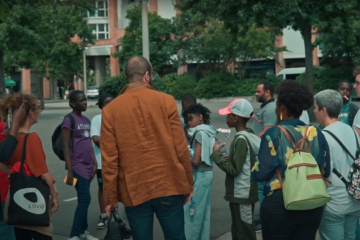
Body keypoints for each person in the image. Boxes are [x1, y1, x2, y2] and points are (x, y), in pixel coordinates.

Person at [101, 56, 193, 240]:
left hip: (134, 189)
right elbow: (181, 147)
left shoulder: (110, 110)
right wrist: (188, 183)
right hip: (169, 184)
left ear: (126, 77)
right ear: (147, 75)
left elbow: (109, 160)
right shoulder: (166, 101)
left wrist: (110, 197)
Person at [253, 80, 331, 240]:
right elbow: (325, 170)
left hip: (279, 205)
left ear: (281, 107)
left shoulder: (274, 134)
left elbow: (259, 174)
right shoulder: (317, 132)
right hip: (311, 202)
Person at [0, 93, 59, 240]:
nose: (38, 112)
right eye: (37, 108)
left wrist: (14, 172)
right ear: (30, 112)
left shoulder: (9, 138)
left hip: (16, 199)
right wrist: (54, 194)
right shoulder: (31, 138)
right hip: (35, 198)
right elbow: (43, 172)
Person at [313, 89, 360, 240]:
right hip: (355, 201)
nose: (314, 111)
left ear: (324, 110)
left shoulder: (323, 136)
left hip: (334, 203)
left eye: (315, 107)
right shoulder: (353, 132)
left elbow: (322, 173)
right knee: (350, 236)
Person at [211, 99, 260, 240]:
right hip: (241, 194)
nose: (227, 118)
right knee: (239, 228)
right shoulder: (247, 135)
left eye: (229, 115)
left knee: (244, 232)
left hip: (242, 194)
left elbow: (234, 170)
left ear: (236, 118)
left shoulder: (241, 140)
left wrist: (217, 155)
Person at [62, 90, 98, 240]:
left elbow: (88, 142)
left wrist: (94, 162)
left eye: (85, 100)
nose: (85, 103)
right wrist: (70, 170)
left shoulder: (86, 120)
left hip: (88, 164)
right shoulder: (68, 119)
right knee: (85, 199)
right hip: (77, 165)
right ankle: (74, 234)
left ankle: (83, 232)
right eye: (81, 100)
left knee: (84, 199)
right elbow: (65, 145)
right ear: (72, 103)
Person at [182, 103, 217, 240]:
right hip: (207, 175)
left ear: (200, 117)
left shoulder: (199, 133)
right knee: (203, 213)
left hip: (201, 176)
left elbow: (196, 160)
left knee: (192, 214)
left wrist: (186, 154)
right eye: (187, 121)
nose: (189, 123)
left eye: (191, 119)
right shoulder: (209, 130)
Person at [252, 80, 278, 232]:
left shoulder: (270, 109)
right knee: (262, 187)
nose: (256, 94)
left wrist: (250, 140)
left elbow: (266, 133)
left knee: (263, 188)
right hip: (262, 153)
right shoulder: (266, 107)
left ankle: (264, 219)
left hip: (265, 154)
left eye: (258, 91)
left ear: (267, 92)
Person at [90, 94, 114, 229]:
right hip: (102, 162)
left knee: (119, 188)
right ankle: (104, 215)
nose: (109, 105)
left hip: (119, 162)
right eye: (106, 103)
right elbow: (96, 139)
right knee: (103, 189)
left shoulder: (120, 119)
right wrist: (114, 141)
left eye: (112, 102)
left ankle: (115, 214)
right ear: (100, 106)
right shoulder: (97, 119)